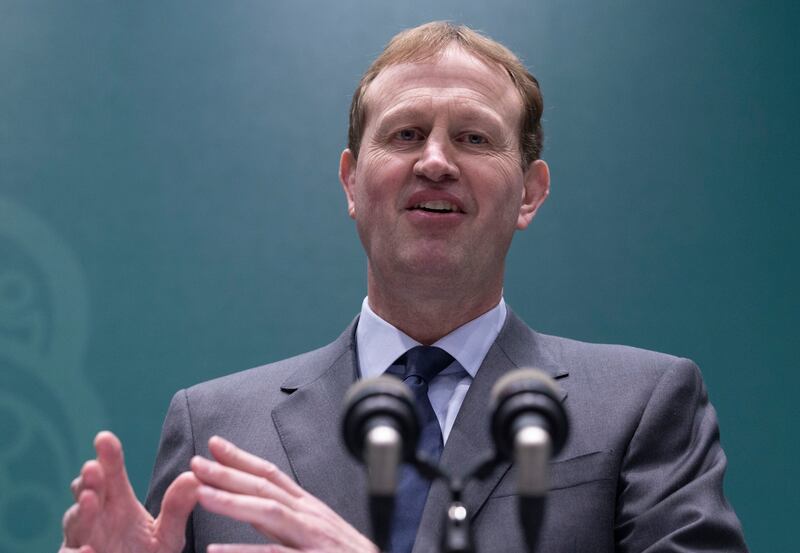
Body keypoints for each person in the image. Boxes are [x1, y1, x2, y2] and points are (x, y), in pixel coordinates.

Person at [59, 21, 749, 553]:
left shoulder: (643, 404)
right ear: (351, 183)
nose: (437, 161)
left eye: (475, 138)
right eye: (407, 133)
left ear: (530, 193)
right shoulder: (213, 428)